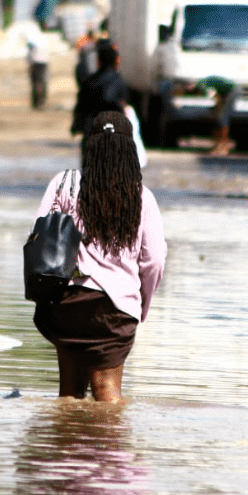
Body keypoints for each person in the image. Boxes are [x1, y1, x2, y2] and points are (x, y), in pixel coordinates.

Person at [31, 110, 167, 403]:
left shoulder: (64, 183)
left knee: (69, 395)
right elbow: (154, 261)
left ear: (89, 147)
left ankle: (66, 434)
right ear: (130, 151)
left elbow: (38, 238)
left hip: (66, 304)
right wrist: (139, 307)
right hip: (115, 312)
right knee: (107, 394)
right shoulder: (142, 197)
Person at [72, 39, 128, 145]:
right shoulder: (118, 81)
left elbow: (81, 107)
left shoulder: (90, 81)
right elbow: (123, 105)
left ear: (99, 61)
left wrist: (76, 126)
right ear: (115, 61)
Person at [196, 75, 237, 156]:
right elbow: (217, 96)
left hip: (232, 90)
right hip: (226, 92)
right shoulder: (203, 83)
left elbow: (214, 95)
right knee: (219, 118)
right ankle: (218, 146)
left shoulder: (202, 85)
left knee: (223, 118)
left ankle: (224, 146)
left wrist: (218, 108)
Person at [27, 35, 49, 110]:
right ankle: (41, 102)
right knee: (42, 82)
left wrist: (29, 61)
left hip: (35, 62)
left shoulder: (33, 37)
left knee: (36, 83)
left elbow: (30, 50)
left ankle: (37, 103)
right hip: (44, 61)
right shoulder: (45, 38)